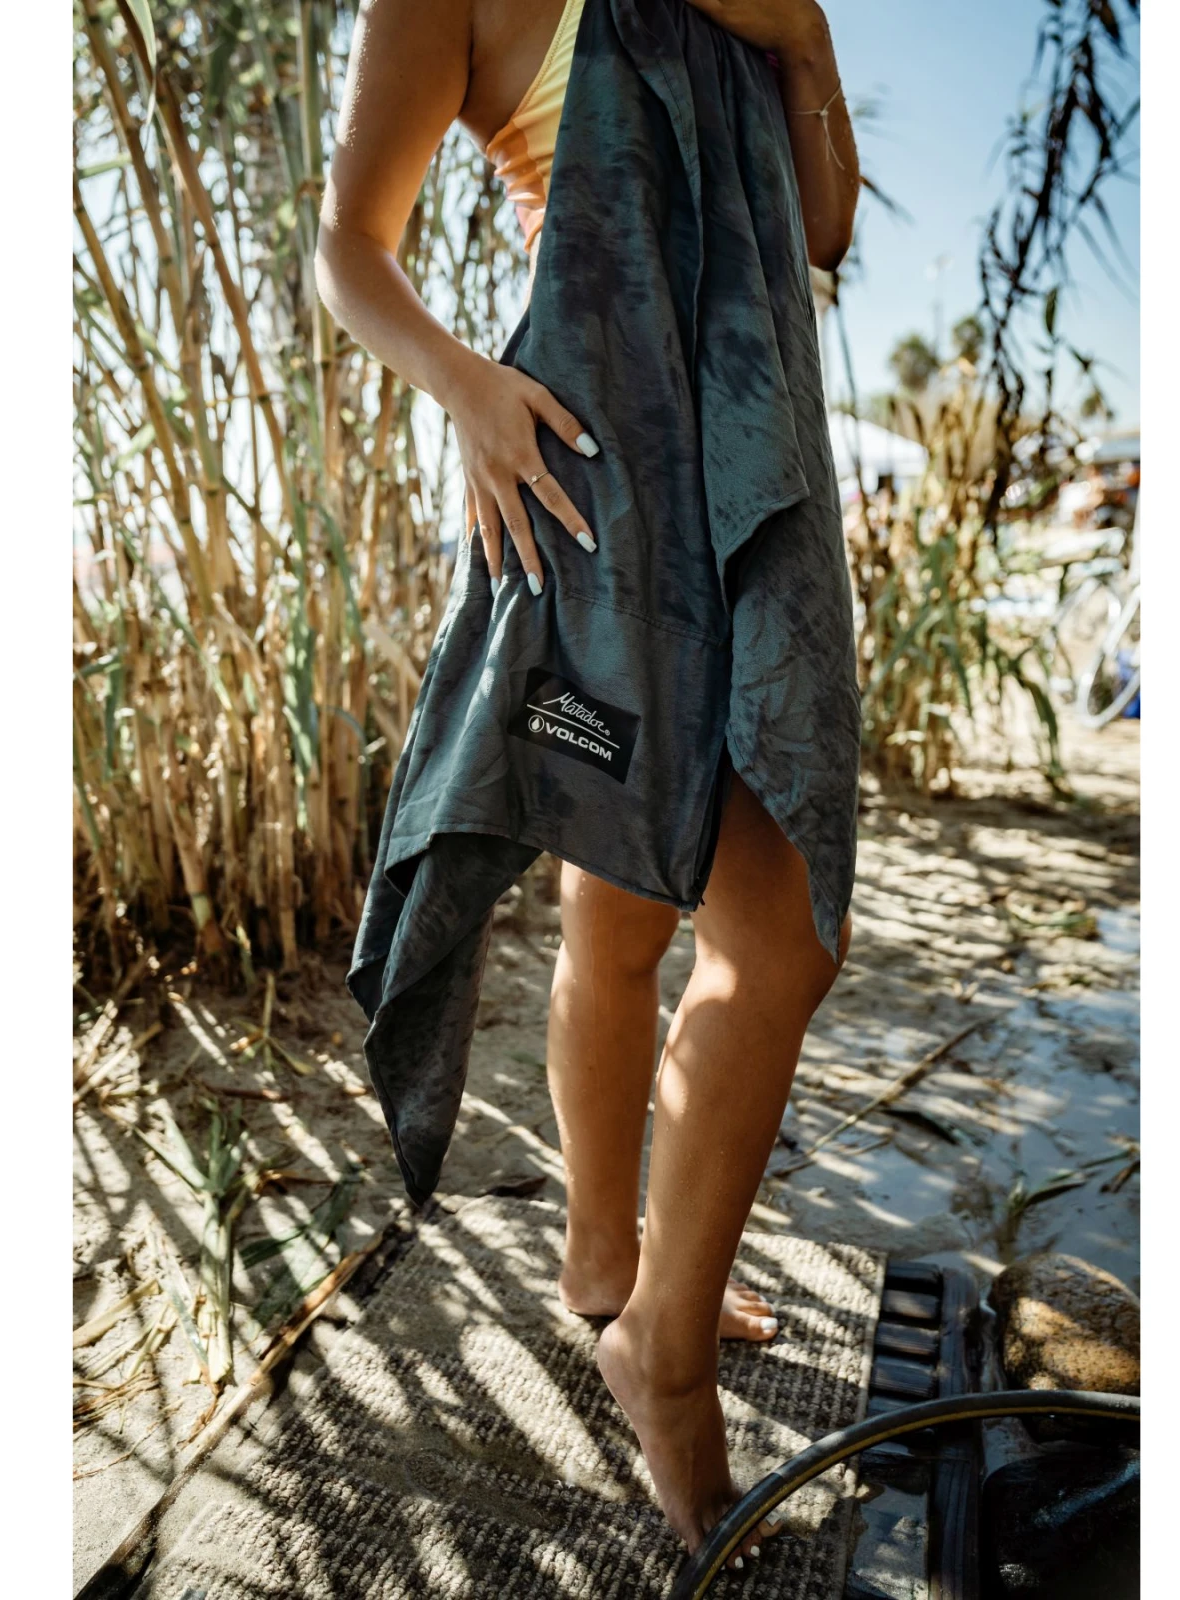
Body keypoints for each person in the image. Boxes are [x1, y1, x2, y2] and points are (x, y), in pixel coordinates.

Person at [315, 0, 860, 1568]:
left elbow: (820, 234)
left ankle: (636, 1305)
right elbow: (348, 248)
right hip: (596, 493)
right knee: (650, 926)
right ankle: (632, 1309)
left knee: (749, 932)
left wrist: (804, 41)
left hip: (758, 467)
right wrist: (466, 387)